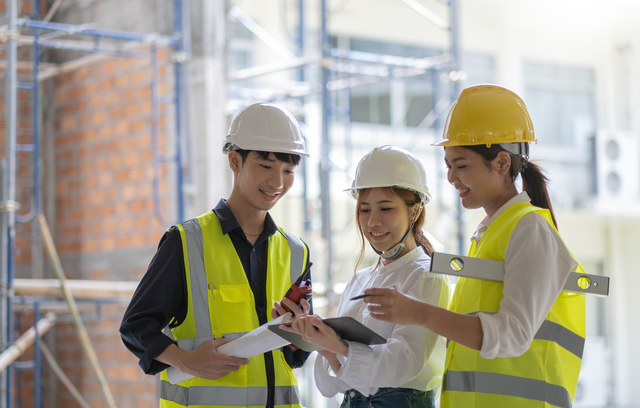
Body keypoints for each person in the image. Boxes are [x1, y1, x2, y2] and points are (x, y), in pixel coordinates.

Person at [363, 84, 586, 408]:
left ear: (501, 162)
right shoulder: (493, 234)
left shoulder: (530, 229)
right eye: (448, 165)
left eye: (462, 164)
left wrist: (418, 313)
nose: (452, 177)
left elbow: (512, 335)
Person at [120, 103, 314, 408]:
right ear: (235, 161)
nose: (278, 182)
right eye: (266, 166)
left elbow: (296, 356)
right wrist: (185, 361)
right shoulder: (185, 243)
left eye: (288, 170)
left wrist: (302, 332)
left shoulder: (297, 252)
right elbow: (136, 326)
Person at [280, 146, 451, 408]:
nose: (372, 222)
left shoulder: (425, 275)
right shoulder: (360, 279)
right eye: (364, 210)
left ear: (414, 211)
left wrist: (340, 346)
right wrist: (317, 339)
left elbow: (404, 362)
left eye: (385, 209)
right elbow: (339, 383)